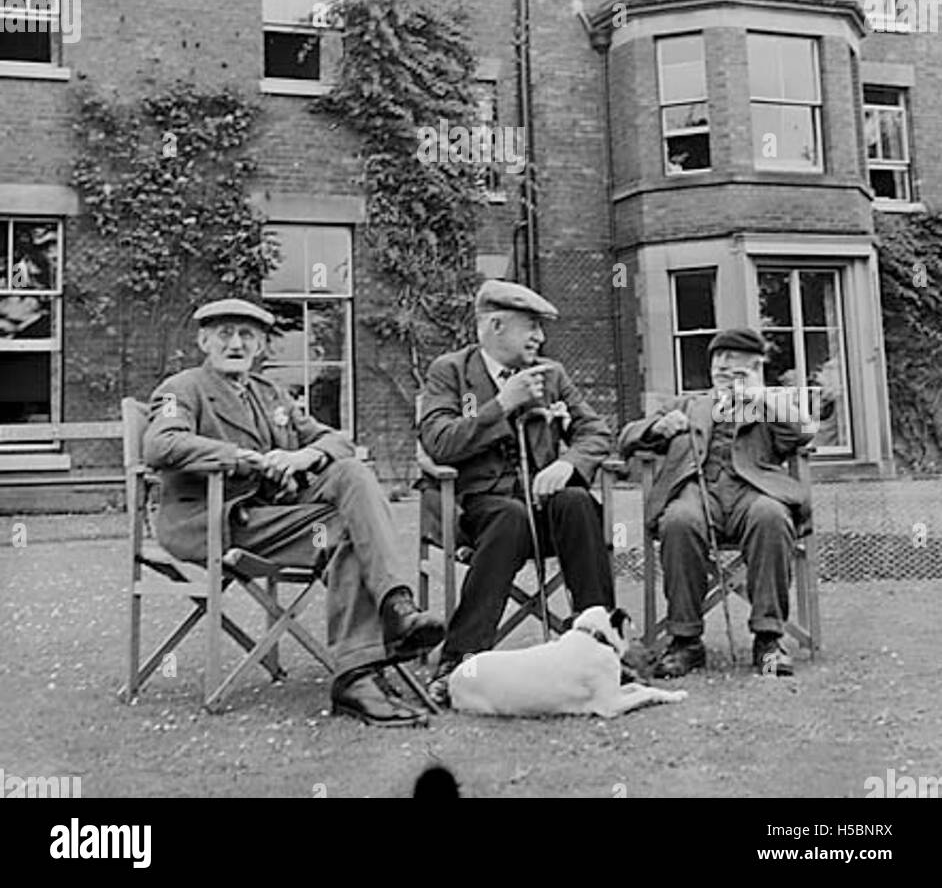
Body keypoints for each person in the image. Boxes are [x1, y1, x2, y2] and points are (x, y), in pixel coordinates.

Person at [144, 297, 444, 726]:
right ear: (203, 340)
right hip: (218, 520)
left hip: (277, 518)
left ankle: (388, 621)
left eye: (247, 335)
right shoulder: (182, 389)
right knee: (346, 530)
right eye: (225, 333)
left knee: (351, 480)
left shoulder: (271, 393)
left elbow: (337, 441)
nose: (236, 343)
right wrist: (241, 458)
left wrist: (304, 457)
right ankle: (370, 657)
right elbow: (160, 445)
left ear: (262, 344)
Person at [418, 279, 614, 704]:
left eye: (540, 328)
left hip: (544, 509)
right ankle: (461, 660)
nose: (540, 337)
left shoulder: (551, 374)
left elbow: (597, 431)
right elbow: (439, 442)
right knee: (510, 517)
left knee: (578, 501)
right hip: (480, 513)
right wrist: (502, 404)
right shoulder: (450, 372)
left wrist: (568, 463)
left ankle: (603, 646)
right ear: (495, 325)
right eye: (531, 326)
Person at [618, 327, 813, 678]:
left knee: (771, 516)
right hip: (696, 491)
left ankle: (768, 640)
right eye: (720, 372)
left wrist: (760, 396)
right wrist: (659, 426)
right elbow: (627, 437)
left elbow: (803, 433)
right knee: (678, 521)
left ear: (756, 372)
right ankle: (685, 641)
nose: (727, 379)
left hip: (752, 492)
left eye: (738, 372)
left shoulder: (770, 407)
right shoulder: (688, 404)